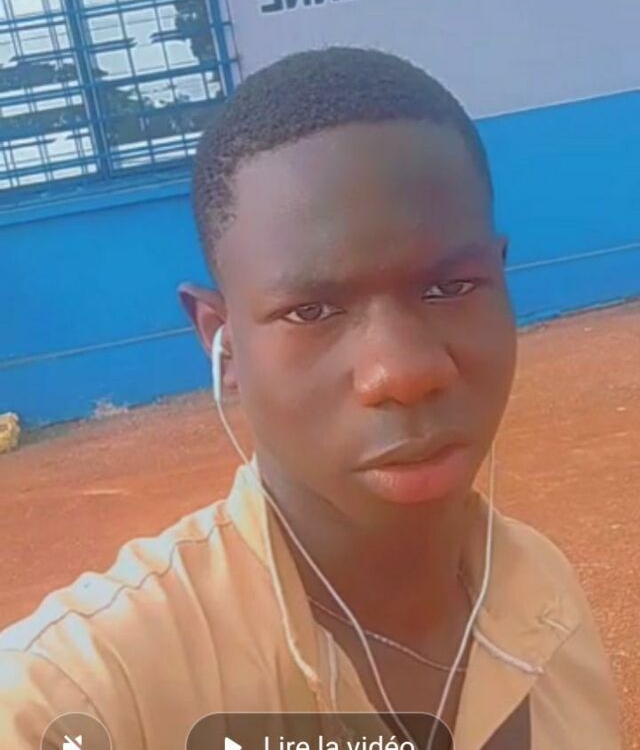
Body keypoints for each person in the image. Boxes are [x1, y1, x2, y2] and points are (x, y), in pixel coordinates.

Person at [0, 47, 621, 749]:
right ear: (222, 341)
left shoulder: (542, 598)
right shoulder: (87, 693)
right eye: (312, 310)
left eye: (449, 287)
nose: (401, 372)